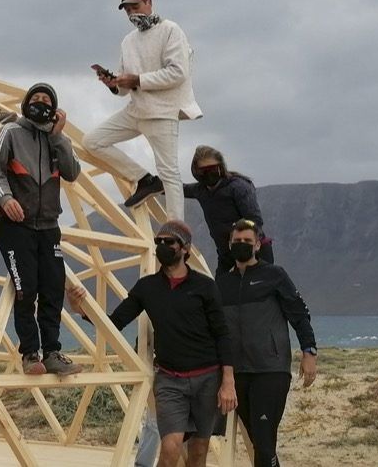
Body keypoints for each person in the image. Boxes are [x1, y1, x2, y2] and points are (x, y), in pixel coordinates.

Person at [69, 221, 237, 467]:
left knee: (199, 452)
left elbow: (222, 333)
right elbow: (115, 322)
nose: (162, 246)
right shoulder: (147, 287)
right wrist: (81, 309)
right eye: (158, 242)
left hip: (207, 379)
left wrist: (228, 381)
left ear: (185, 248)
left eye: (169, 242)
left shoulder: (204, 286)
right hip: (170, 381)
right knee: (170, 449)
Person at [0, 83, 82, 375]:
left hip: (49, 226)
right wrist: (5, 199)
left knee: (53, 287)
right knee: (26, 288)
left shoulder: (56, 139)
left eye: (46, 100)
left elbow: (72, 172)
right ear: (26, 103)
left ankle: (52, 352)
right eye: (35, 98)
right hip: (17, 225)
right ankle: (30, 353)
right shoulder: (11, 132)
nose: (40, 103)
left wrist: (58, 136)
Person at [83, 0, 202, 221]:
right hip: (136, 110)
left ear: (149, 2)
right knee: (92, 141)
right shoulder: (128, 41)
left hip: (162, 112)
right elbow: (124, 88)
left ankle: (175, 228)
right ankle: (144, 179)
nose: (131, 13)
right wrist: (113, 83)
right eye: (126, 9)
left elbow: (178, 73)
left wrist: (137, 80)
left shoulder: (170, 30)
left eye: (135, 7)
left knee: (169, 173)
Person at [217, 219, 317, 466]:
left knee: (262, 441)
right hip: (238, 373)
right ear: (230, 244)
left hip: (270, 370)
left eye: (247, 242)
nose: (242, 245)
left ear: (258, 245)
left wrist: (309, 351)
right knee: (260, 442)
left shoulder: (274, 275)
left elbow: (299, 313)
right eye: (237, 241)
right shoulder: (221, 283)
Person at [183, 146, 273, 273]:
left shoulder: (238, 187)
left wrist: (240, 239)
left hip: (253, 253)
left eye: (213, 169)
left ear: (221, 168)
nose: (209, 174)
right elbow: (178, 188)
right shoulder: (200, 190)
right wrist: (151, 181)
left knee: (257, 292)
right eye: (203, 171)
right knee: (221, 290)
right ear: (196, 172)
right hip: (226, 255)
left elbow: (255, 220)